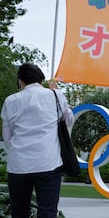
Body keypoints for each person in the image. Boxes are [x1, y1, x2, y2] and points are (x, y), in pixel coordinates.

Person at [1, 63, 74, 218]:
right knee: (47, 211)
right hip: (48, 163)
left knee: (19, 212)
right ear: (41, 80)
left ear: (20, 81)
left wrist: (16, 152)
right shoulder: (55, 95)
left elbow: (7, 136)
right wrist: (55, 91)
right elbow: (68, 120)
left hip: (18, 165)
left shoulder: (10, 100)